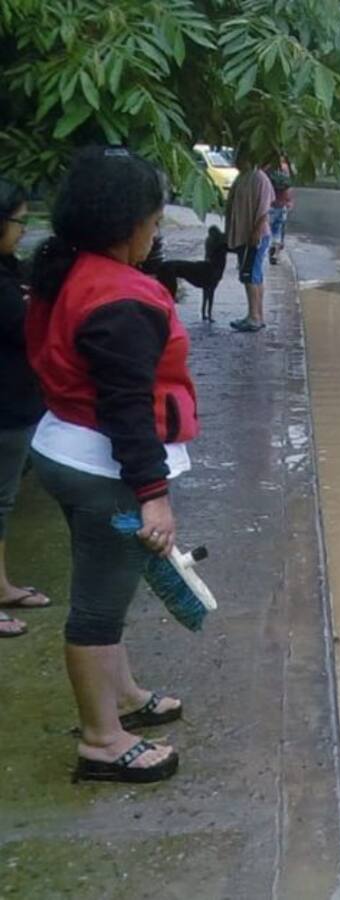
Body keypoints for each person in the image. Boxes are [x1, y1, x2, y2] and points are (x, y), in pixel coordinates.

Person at [27, 146, 198, 783]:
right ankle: (101, 740)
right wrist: (153, 494)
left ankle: (123, 696)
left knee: (109, 592)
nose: (156, 235)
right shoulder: (119, 299)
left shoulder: (69, 270)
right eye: (154, 222)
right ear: (128, 224)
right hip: (104, 470)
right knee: (98, 608)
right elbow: (127, 407)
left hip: (66, 446)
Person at [0, 177, 49, 639]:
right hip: (6, 407)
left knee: (4, 500)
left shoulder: (10, 272)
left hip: (16, 406)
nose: (22, 229)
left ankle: (2, 585)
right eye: (18, 220)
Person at [223, 148, 274, 332]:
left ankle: (255, 316)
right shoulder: (243, 177)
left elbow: (264, 210)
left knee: (250, 274)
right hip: (245, 234)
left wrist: (256, 232)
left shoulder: (259, 178)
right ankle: (255, 314)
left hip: (255, 235)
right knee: (253, 275)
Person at [267, 159, 293, 266]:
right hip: (282, 205)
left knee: (268, 230)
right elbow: (289, 188)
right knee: (277, 230)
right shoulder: (286, 168)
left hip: (270, 204)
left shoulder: (268, 168)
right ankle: (275, 254)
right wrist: (289, 202)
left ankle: (270, 247)